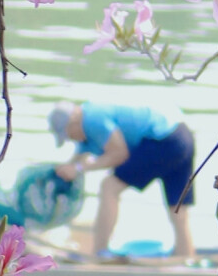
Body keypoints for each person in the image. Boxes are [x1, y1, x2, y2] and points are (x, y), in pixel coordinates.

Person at [49, 101, 195, 260]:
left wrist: (78, 169)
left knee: (109, 187)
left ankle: (100, 251)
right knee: (178, 207)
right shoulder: (86, 124)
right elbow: (77, 160)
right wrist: (67, 169)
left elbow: (119, 154)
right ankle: (185, 256)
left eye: (68, 134)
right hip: (182, 136)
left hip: (163, 140)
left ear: (74, 121)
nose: (70, 139)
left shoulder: (92, 119)